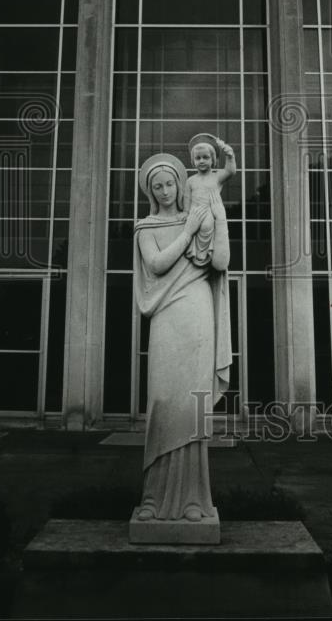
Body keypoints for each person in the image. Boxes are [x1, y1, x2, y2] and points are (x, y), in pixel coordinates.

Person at [133, 153, 232, 523]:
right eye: (156, 186)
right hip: (165, 314)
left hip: (195, 309)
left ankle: (193, 500)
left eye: (169, 183)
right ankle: (153, 500)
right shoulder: (145, 227)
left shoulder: (198, 216)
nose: (163, 191)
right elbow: (156, 264)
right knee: (162, 398)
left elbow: (219, 262)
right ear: (150, 190)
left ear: (180, 183)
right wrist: (188, 232)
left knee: (192, 404)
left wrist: (215, 216)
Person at [183, 133, 236, 271]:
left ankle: (208, 255)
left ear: (213, 160)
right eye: (198, 158)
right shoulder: (190, 181)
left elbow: (230, 171)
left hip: (210, 214)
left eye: (205, 157)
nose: (201, 161)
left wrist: (229, 155)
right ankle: (195, 254)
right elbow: (186, 203)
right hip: (194, 216)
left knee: (207, 224)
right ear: (193, 161)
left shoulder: (216, 176)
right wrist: (185, 215)